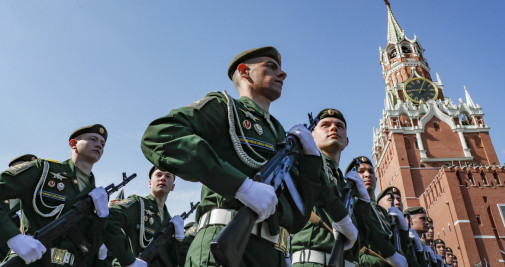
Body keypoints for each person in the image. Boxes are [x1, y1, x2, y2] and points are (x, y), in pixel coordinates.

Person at [141, 46, 328, 267]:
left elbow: (297, 218)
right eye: (270, 66)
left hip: (273, 254)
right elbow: (159, 135)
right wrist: (241, 186)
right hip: (222, 244)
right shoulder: (226, 108)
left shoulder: (280, 135)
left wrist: (311, 160)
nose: (282, 73)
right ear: (245, 72)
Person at [290, 109, 405, 267]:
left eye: (339, 126)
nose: (333, 128)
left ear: (347, 141)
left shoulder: (345, 184)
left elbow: (367, 233)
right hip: (313, 260)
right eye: (325, 125)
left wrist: (364, 202)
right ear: (312, 136)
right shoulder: (304, 164)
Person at [0, 124, 109, 266]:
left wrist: (102, 217)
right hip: (30, 261)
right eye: (93, 139)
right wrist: (13, 236)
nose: (99, 145)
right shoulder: (44, 171)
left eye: (102, 143)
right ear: (73, 144)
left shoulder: (96, 195)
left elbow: (91, 247)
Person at [104, 166, 184, 267]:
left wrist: (179, 241)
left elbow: (171, 261)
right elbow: (109, 219)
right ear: (150, 183)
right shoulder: (137, 204)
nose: (163, 178)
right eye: (158, 175)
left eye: (168, 176)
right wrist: (129, 260)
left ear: (172, 186)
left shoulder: (170, 222)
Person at [344, 157, 408, 266]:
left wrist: (404, 231)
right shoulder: (350, 205)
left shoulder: (382, 212)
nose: (367, 175)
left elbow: (400, 248)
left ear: (376, 179)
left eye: (371, 172)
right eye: (361, 172)